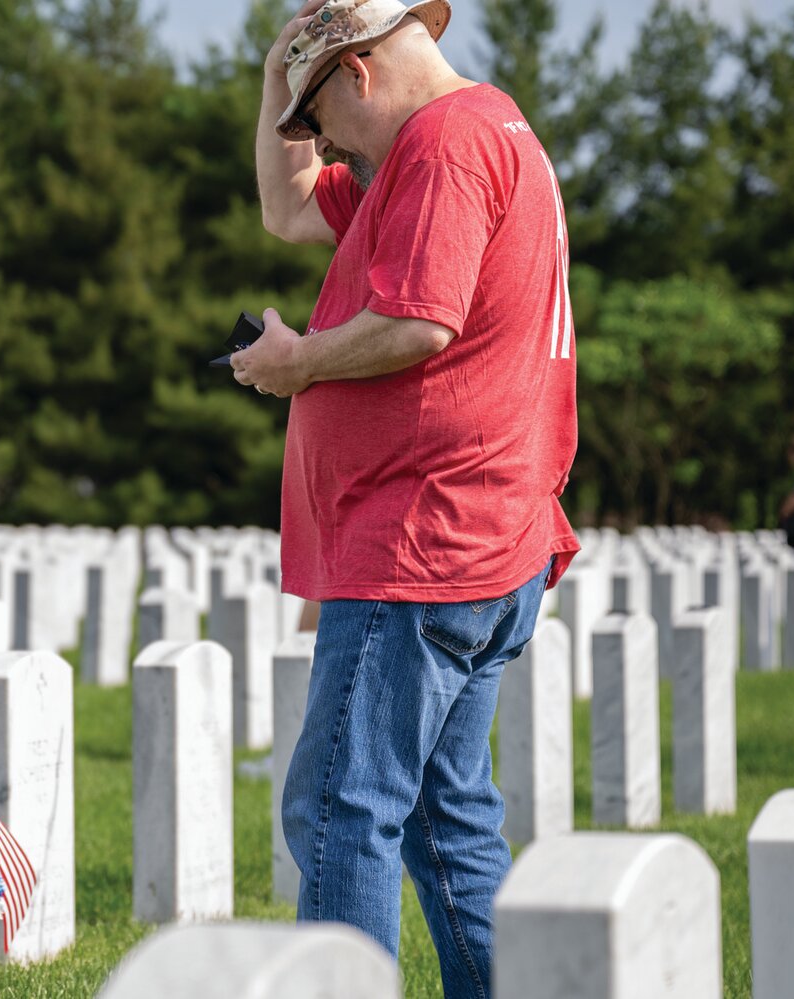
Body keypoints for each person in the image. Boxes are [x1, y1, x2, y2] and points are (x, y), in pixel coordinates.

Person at [236, 1, 581, 995]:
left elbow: (418, 324)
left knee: (340, 809)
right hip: (479, 540)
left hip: (421, 548)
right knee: (444, 817)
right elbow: (287, 209)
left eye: (319, 114)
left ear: (362, 73)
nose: (320, 141)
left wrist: (300, 364)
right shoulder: (477, 130)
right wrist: (275, 82)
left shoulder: (439, 154)